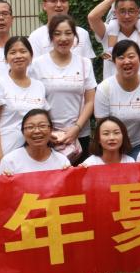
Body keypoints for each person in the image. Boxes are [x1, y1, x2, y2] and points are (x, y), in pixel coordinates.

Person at [28, 14, 97, 163]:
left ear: (75, 36)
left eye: (68, 33)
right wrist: (48, 131)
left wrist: (77, 128)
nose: (63, 38)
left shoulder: (84, 63)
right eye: (57, 34)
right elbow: (34, 101)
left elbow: (90, 101)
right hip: (47, 135)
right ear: (51, 37)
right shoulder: (37, 64)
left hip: (79, 135)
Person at [0, 36, 49, 173]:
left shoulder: (39, 86)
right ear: (6, 58)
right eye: (13, 52)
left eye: (23, 51)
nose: (18, 56)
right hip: (6, 151)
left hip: (33, 154)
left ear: (31, 56)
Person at [93, 39, 140, 158]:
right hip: (112, 146)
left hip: (139, 145)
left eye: (131, 56)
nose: (127, 61)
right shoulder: (104, 88)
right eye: (121, 58)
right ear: (114, 61)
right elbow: (102, 126)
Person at [27, 0, 96, 60]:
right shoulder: (36, 37)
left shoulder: (82, 33)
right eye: (53, 1)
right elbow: (34, 65)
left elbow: (88, 64)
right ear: (44, 5)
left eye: (63, 0)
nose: (59, 5)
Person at [0, 109, 71, 175]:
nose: (37, 131)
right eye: (30, 127)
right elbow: (2, 185)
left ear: (51, 129)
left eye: (42, 126)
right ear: (23, 132)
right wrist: (5, 181)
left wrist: (71, 175)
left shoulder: (62, 161)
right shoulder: (9, 161)